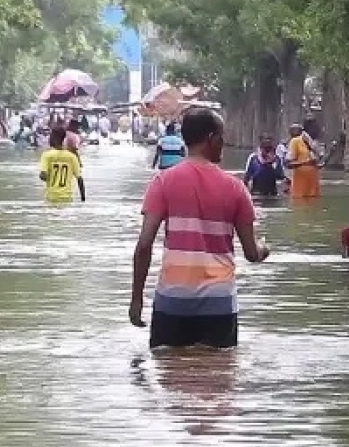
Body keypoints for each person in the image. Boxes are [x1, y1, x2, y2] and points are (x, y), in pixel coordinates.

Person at [129, 108, 271, 349]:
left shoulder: (162, 182)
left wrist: (137, 300)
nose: (224, 142)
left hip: (172, 301)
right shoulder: (235, 189)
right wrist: (264, 250)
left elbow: (144, 244)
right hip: (219, 303)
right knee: (217, 378)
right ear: (211, 138)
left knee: (169, 378)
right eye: (222, 136)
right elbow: (251, 254)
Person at [39, 127, 85, 203]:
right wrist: (83, 199)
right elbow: (80, 179)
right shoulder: (72, 157)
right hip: (67, 198)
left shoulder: (46, 155)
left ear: (53, 138)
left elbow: (43, 176)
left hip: (51, 197)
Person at [285, 123, 320, 198]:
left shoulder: (294, 141)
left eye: (291, 131)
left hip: (301, 174)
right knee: (312, 198)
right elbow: (318, 158)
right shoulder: (310, 140)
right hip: (313, 173)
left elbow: (289, 161)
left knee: (299, 198)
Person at [64, 118, 87, 201]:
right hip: (71, 158)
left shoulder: (64, 134)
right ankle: (83, 198)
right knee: (79, 178)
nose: (78, 128)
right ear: (74, 126)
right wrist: (79, 161)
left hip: (61, 157)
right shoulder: (75, 136)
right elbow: (74, 149)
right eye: (77, 126)